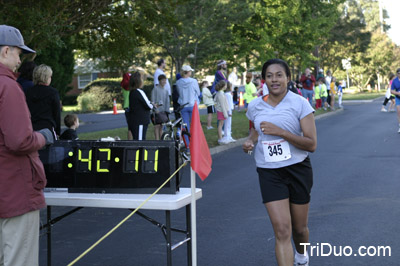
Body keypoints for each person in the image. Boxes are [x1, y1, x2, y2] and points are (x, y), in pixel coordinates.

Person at [243, 58, 316, 266]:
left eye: (279, 75)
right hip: (269, 171)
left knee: (299, 229)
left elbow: (311, 144)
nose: (274, 80)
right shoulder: (255, 105)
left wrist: (281, 132)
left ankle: (302, 257)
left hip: (298, 169)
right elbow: (255, 128)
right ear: (263, 79)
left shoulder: (300, 103)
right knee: (282, 230)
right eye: (269, 76)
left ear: (288, 78)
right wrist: (250, 141)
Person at [0, 24, 54, 266]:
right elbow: (20, 140)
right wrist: (44, 136)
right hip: (15, 191)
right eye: (18, 54)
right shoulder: (8, 87)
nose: (19, 60)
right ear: (5, 51)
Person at [26, 64, 61, 138]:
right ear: (47, 77)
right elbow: (57, 113)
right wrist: (58, 131)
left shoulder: (28, 92)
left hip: (31, 130)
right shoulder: (53, 93)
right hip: (48, 129)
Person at [176, 65, 200, 144]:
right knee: (195, 125)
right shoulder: (193, 81)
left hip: (183, 105)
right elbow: (198, 93)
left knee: (186, 127)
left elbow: (179, 93)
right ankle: (195, 144)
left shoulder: (178, 82)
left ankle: (188, 146)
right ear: (188, 72)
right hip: (192, 105)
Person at [129, 71, 154, 140]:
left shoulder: (132, 92)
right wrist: (153, 105)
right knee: (140, 142)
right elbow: (149, 105)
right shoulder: (139, 92)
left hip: (134, 121)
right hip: (140, 121)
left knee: (137, 140)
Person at [151, 74, 170, 140]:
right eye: (162, 80)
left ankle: (161, 140)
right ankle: (157, 140)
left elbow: (167, 102)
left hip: (163, 111)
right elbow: (152, 100)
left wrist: (167, 111)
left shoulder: (166, 91)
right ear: (159, 81)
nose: (164, 81)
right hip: (157, 111)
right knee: (157, 126)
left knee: (162, 126)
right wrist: (155, 110)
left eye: (165, 80)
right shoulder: (155, 89)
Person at [214, 80, 229, 145]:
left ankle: (220, 138)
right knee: (220, 125)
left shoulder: (220, 93)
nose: (226, 86)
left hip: (220, 111)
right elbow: (223, 105)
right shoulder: (221, 94)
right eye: (225, 85)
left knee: (221, 124)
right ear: (223, 86)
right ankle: (220, 139)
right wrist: (225, 114)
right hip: (221, 111)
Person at [121, 72, 133, 139]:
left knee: (130, 127)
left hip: (127, 106)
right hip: (129, 106)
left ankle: (130, 141)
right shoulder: (127, 85)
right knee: (131, 128)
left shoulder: (124, 85)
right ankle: (131, 141)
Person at [390, 68, 400, 133]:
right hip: (398, 98)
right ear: (397, 73)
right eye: (399, 73)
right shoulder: (394, 81)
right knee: (399, 112)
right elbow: (391, 91)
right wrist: (397, 93)